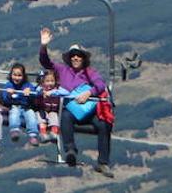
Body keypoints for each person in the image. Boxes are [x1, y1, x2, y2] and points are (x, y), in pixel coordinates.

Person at [39, 27, 115, 176]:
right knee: (65, 116)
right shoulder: (62, 70)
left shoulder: (89, 73)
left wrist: (89, 93)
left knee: (104, 125)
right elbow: (45, 62)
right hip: (71, 110)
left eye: (78, 56)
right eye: (73, 55)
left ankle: (103, 162)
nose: (75, 58)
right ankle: (70, 151)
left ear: (83, 58)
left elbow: (100, 85)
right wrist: (43, 46)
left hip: (88, 110)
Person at [0, 63, 41, 146]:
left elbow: (34, 95)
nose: (16, 78)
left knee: (31, 116)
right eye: (14, 75)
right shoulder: (8, 85)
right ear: (11, 75)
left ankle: (33, 135)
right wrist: (9, 95)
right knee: (14, 113)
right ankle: (14, 130)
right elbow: (5, 99)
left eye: (19, 75)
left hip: (26, 107)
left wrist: (29, 92)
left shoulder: (27, 85)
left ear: (23, 76)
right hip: (15, 106)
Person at [37, 69, 66, 143]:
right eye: (47, 81)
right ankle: (43, 133)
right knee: (40, 117)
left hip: (53, 110)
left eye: (52, 81)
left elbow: (66, 92)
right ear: (43, 82)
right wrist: (42, 92)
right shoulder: (41, 88)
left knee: (54, 117)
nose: (50, 83)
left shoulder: (57, 88)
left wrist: (53, 92)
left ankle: (54, 132)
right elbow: (37, 90)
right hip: (43, 109)